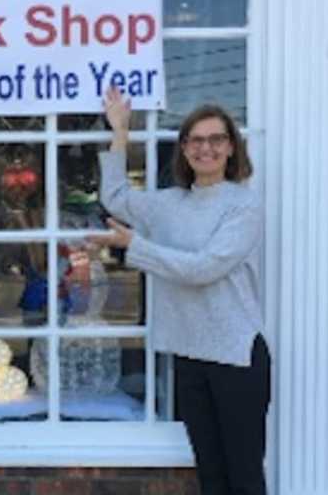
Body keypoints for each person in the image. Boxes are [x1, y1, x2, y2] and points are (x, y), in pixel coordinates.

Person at [93, 88, 270, 495]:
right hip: (190, 356)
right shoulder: (169, 203)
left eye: (216, 139)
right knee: (210, 477)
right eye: (195, 140)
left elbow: (204, 269)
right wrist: (120, 130)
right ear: (184, 148)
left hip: (236, 358)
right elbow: (115, 197)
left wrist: (135, 247)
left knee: (244, 479)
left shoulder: (243, 205)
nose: (205, 148)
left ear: (231, 148)